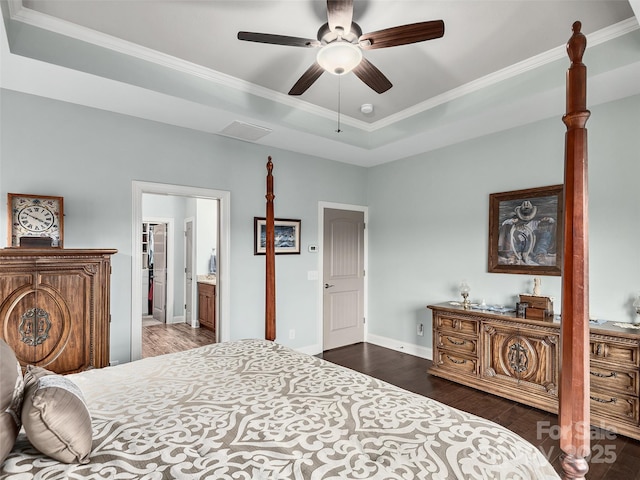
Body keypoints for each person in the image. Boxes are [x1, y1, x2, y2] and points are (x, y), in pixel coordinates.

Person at [498, 200, 556, 265]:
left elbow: (552, 222)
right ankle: (513, 255)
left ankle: (540, 254)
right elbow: (504, 223)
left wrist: (547, 219)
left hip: (530, 246)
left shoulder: (535, 223)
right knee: (509, 234)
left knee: (546, 234)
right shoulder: (515, 222)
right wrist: (513, 221)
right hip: (518, 245)